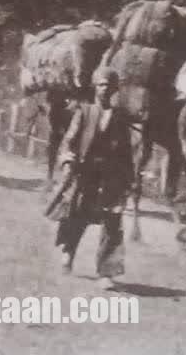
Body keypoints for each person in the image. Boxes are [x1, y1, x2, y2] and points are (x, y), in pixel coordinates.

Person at [48, 65, 135, 291]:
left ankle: (107, 272)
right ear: (95, 87)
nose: (105, 89)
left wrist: (128, 181)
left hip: (110, 176)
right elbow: (69, 139)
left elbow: (126, 151)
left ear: (115, 89)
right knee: (76, 215)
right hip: (85, 173)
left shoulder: (120, 118)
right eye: (101, 85)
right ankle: (68, 251)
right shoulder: (84, 112)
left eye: (109, 85)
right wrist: (67, 159)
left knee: (112, 223)